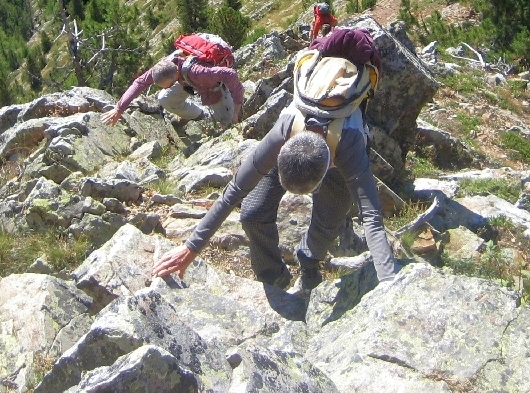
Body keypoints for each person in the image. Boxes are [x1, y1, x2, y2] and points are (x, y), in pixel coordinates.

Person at [153, 26, 395, 291]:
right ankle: (273, 276)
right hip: (301, 138)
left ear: (329, 165)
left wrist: (389, 286)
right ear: (282, 153)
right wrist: (191, 248)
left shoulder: (350, 144)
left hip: (338, 144)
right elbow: (234, 190)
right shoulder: (282, 131)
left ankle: (309, 260)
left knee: (327, 224)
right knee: (252, 213)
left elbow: (371, 215)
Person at [103, 48, 245, 128]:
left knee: (229, 123)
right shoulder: (164, 67)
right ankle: (199, 115)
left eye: (169, 85)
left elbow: (229, 74)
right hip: (186, 80)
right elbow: (139, 83)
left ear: (176, 74)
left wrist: (237, 105)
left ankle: (230, 110)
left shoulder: (197, 72)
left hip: (213, 86)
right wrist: (119, 108)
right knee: (165, 98)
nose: (168, 87)